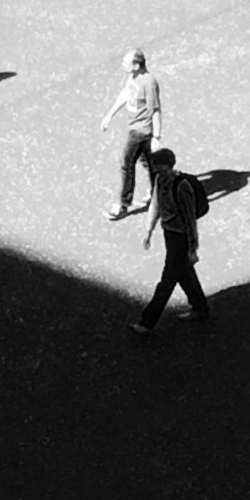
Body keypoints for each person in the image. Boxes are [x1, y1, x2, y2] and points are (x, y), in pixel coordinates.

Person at [130, 147, 210, 334]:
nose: (153, 167)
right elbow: (155, 205)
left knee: (167, 281)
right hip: (170, 234)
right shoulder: (160, 180)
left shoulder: (182, 186)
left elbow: (190, 219)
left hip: (180, 237)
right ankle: (200, 308)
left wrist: (192, 248)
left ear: (166, 165)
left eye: (156, 164)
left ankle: (147, 322)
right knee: (184, 274)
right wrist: (148, 230)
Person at [99, 48, 163, 220]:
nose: (122, 65)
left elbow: (156, 110)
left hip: (141, 131)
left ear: (136, 65)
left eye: (126, 63)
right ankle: (158, 194)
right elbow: (126, 93)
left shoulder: (149, 83)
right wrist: (110, 114)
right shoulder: (133, 77)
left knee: (126, 163)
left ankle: (122, 204)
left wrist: (156, 137)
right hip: (135, 127)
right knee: (148, 163)